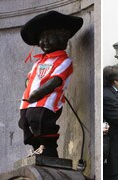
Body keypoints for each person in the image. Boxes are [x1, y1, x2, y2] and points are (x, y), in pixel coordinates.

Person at [17, 11, 82, 157]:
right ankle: (37, 148)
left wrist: (37, 93)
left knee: (40, 122)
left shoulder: (64, 61)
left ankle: (48, 149)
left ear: (62, 36)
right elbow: (29, 79)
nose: (44, 41)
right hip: (29, 101)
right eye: (41, 38)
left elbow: (56, 80)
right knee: (24, 122)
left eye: (48, 36)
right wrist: (29, 89)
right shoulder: (39, 61)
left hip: (47, 102)